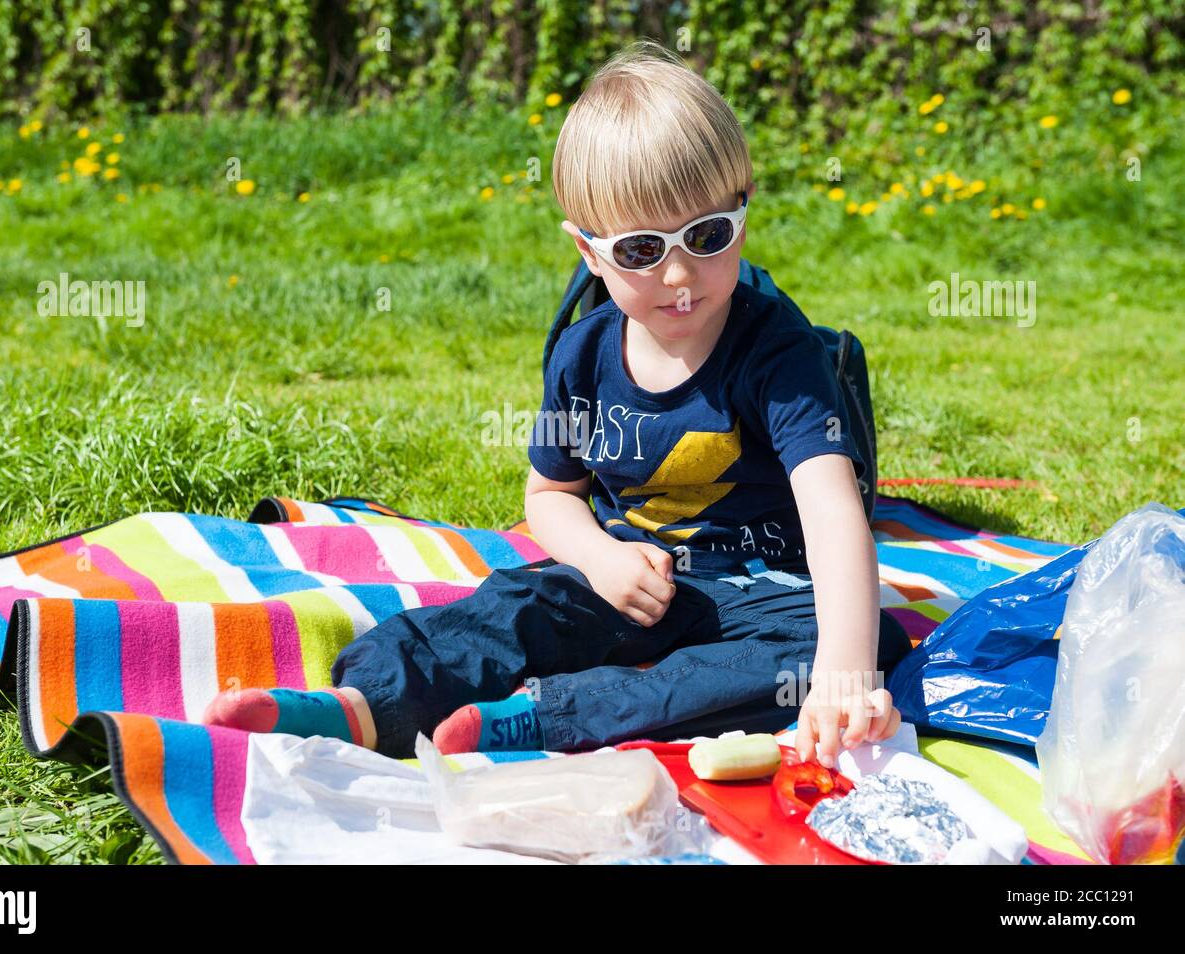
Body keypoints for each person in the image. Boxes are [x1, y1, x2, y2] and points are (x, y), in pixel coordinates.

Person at [202, 39, 911, 764]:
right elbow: (549, 495)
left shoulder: (779, 351)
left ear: (744, 211)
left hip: (759, 592)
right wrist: (599, 556)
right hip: (623, 577)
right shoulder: (585, 355)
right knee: (511, 608)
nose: (679, 276)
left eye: (707, 236)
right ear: (589, 252)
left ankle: (546, 719)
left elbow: (830, 508)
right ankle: (356, 708)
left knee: (859, 644)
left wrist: (843, 675)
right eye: (640, 250)